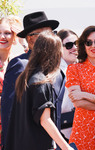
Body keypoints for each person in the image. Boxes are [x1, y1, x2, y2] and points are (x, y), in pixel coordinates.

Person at [5, 31, 74, 150]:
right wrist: (66, 147)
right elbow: (45, 120)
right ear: (54, 54)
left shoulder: (25, 78)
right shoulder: (42, 82)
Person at [1, 11, 59, 148]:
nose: (51, 38)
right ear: (30, 38)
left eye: (53, 33)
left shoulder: (49, 66)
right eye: (45, 34)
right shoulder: (20, 65)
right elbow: (9, 108)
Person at [0, 15, 25, 147]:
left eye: (7, 33)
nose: (2, 37)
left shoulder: (19, 61)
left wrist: (22, 40)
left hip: (13, 122)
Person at [57, 29, 78, 142]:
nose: (75, 47)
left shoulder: (79, 69)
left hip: (78, 130)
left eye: (77, 43)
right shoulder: (55, 72)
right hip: (61, 135)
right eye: (69, 45)